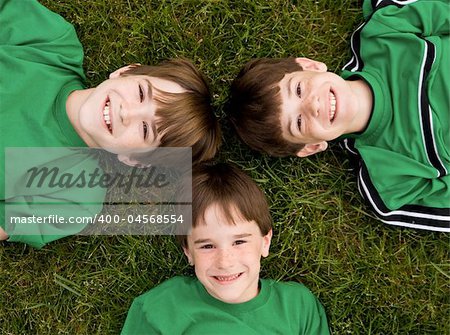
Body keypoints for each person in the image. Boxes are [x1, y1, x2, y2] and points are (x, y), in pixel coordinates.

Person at [0, 0, 221, 247]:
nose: (127, 113)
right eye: (140, 93)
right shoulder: (52, 43)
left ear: (135, 160)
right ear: (126, 71)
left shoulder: (78, 198)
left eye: (146, 129)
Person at [228, 0, 449, 232]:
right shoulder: (388, 184)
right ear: (310, 147)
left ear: (310, 66)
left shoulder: (384, 30)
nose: (312, 105)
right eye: (299, 123)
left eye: (299, 90)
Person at [121, 162, 330, 334]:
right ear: (188, 252)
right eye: (207, 246)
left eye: (239, 242)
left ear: (265, 242)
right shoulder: (160, 308)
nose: (225, 261)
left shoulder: (297, 306)